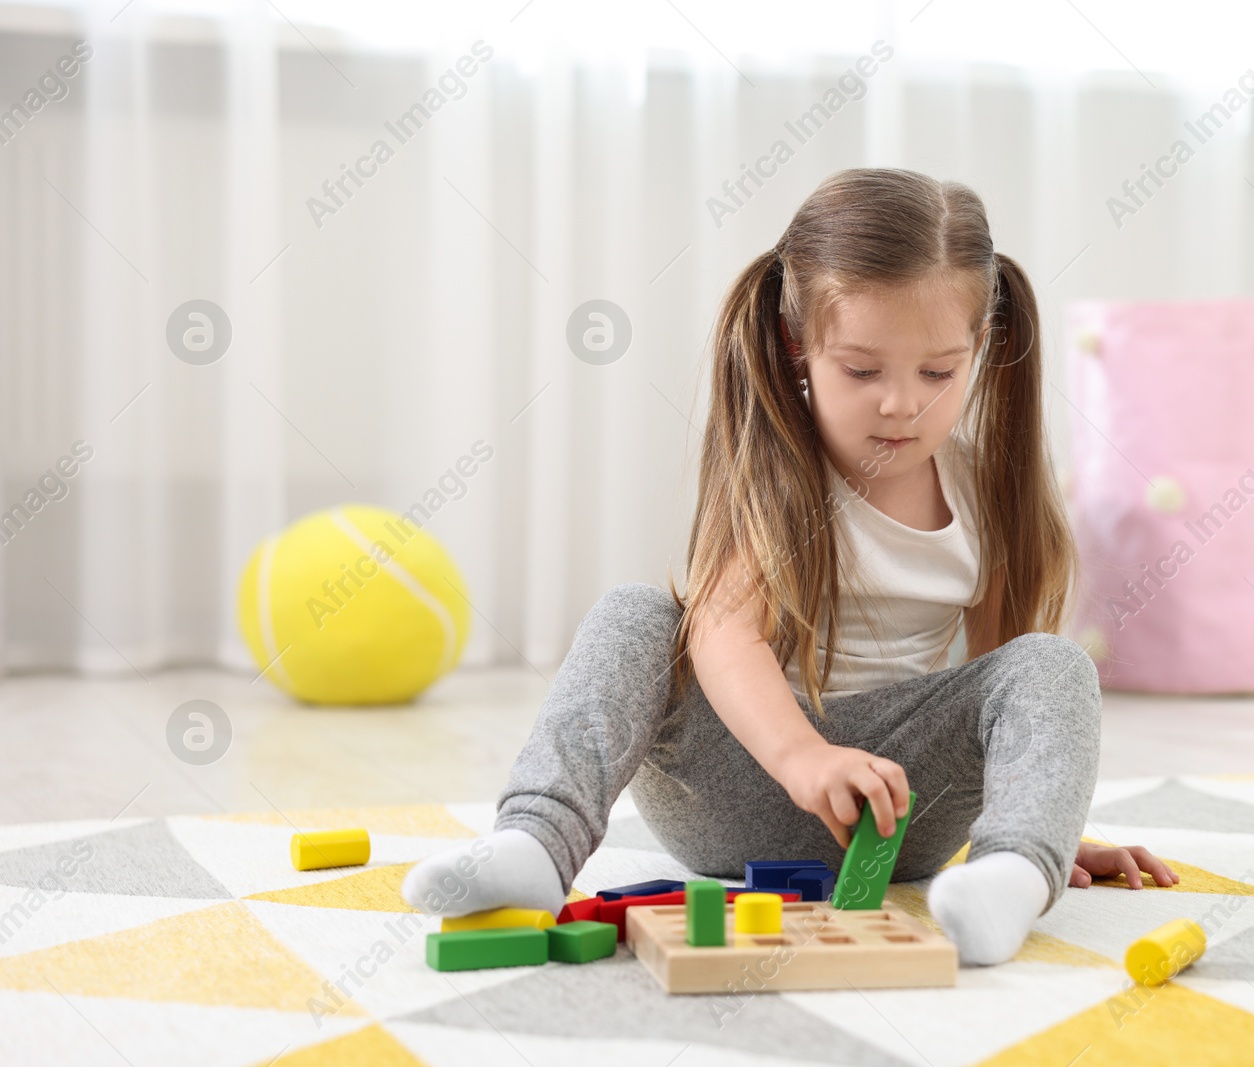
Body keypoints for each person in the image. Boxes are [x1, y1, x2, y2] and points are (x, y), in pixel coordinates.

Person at [403, 168, 1175, 964]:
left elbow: (997, 682)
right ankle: (534, 844)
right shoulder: (775, 471)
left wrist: (1041, 818)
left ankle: (1012, 879)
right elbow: (726, 637)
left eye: (938, 373)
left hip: (897, 816)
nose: (901, 404)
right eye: (863, 371)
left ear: (981, 347)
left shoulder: (987, 487)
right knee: (636, 611)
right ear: (796, 343)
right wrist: (804, 756)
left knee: (1052, 661)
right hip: (734, 787)